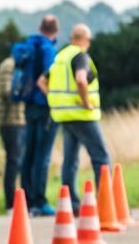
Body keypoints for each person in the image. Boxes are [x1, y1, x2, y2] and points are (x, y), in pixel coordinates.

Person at [48, 23, 110, 214]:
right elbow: (81, 79)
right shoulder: (80, 56)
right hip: (82, 115)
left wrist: (56, 100)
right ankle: (107, 205)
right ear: (86, 40)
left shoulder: (60, 57)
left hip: (63, 115)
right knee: (101, 157)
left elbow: (42, 81)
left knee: (70, 160)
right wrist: (86, 102)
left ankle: (71, 205)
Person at [20, 15, 60, 217]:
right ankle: (40, 201)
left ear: (40, 27)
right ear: (56, 31)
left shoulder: (28, 45)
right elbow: (46, 78)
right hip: (44, 106)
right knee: (42, 155)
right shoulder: (49, 49)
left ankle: (25, 200)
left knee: (28, 152)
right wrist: (54, 99)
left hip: (28, 105)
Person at [0, 56, 26, 211]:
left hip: (16, 119)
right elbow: (7, 91)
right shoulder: (9, 66)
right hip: (11, 120)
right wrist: (26, 90)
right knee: (13, 161)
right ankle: (11, 202)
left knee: (16, 161)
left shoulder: (12, 65)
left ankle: (17, 200)